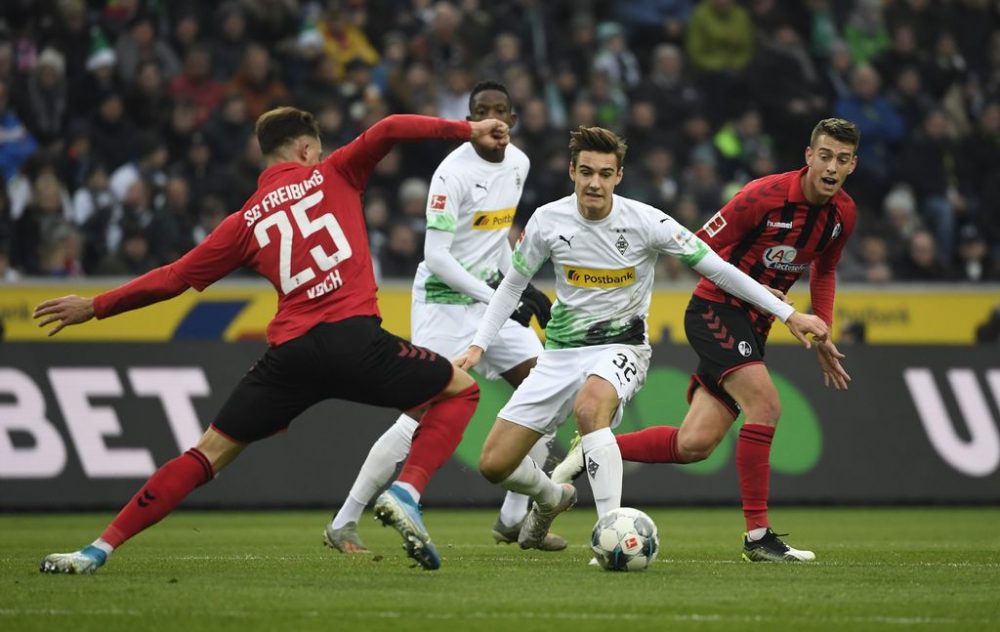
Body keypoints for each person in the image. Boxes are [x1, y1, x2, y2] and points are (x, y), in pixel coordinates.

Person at [35, 106, 513, 573]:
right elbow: (389, 128)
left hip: (291, 357)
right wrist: (467, 129)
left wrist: (95, 306)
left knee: (205, 454)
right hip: (355, 341)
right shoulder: (336, 172)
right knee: (461, 388)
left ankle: (97, 549)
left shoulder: (242, 224)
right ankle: (407, 491)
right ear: (306, 148)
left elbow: (173, 278)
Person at [454, 126, 829, 550]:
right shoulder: (546, 221)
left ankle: (610, 535)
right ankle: (552, 495)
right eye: (587, 172)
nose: (595, 182)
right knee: (494, 464)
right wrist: (479, 344)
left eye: (605, 173)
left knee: (590, 408)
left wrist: (788, 313)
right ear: (572, 172)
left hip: (622, 347)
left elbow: (717, 268)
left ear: (619, 176)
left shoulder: (647, 221)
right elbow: (512, 286)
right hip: (559, 354)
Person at [553, 118, 860, 563]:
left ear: (853, 165)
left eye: (843, 159)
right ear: (809, 157)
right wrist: (762, 290)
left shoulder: (842, 215)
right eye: (825, 156)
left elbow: (825, 270)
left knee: (694, 444)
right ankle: (758, 539)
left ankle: (596, 449)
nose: (832, 167)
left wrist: (823, 328)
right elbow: (696, 247)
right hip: (716, 310)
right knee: (767, 405)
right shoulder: (763, 196)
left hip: (755, 326)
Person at [324, 81, 565, 554]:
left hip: (488, 298)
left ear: (513, 121)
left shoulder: (519, 163)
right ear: (470, 121)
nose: (493, 120)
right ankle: (344, 520)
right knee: (418, 415)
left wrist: (518, 283)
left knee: (548, 390)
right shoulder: (450, 174)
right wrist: (501, 297)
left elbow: (494, 240)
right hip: (441, 305)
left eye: (501, 111)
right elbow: (437, 257)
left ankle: (514, 517)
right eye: (481, 112)